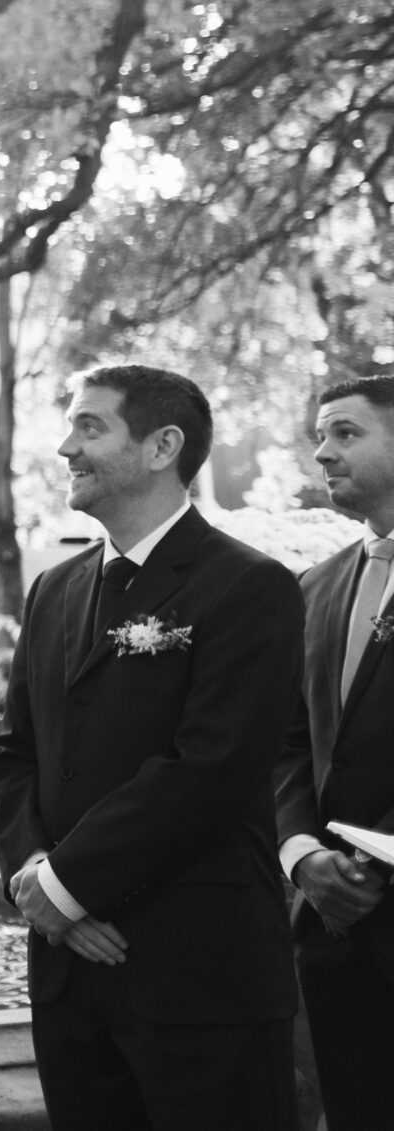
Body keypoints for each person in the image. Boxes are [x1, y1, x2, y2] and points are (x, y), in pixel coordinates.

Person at [0, 363, 302, 1131]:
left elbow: (211, 770)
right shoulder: (54, 588)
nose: (66, 446)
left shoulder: (250, 586)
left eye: (90, 426)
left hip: (197, 977)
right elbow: (13, 752)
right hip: (69, 975)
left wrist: (66, 884)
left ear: (163, 445)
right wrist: (40, 882)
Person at [276, 373, 394, 1131]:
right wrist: (300, 853)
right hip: (330, 925)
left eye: (345, 433)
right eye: (321, 435)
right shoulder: (314, 587)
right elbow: (287, 741)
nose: (323, 452)